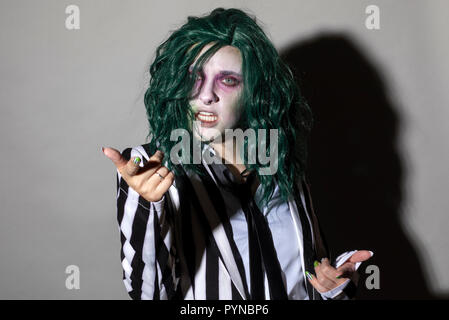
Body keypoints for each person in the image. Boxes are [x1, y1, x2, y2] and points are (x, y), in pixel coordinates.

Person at [102, 7, 373, 300]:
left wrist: (334, 286)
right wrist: (145, 205)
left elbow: (308, 273)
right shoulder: (152, 169)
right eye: (194, 77)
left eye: (227, 80)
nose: (206, 95)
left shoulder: (281, 163)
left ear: (255, 92)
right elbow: (149, 294)